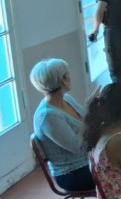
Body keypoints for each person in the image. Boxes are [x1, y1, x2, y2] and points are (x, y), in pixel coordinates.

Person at [30, 59, 94, 191]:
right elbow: (79, 147)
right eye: (68, 74)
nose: (70, 77)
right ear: (63, 80)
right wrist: (89, 110)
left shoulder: (66, 99)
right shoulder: (48, 116)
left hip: (89, 161)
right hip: (73, 174)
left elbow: (89, 124)